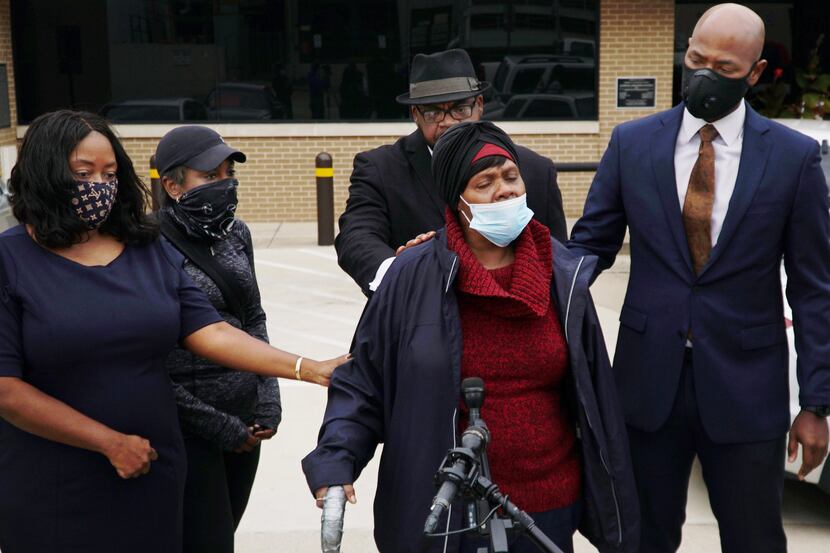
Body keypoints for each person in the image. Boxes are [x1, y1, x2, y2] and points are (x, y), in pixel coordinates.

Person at [0, 110, 345, 553]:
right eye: (83, 173)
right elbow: (6, 390)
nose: (99, 186)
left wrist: (309, 368)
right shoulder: (11, 260)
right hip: (55, 482)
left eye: (109, 173)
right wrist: (108, 443)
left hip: (151, 469)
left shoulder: (142, 247)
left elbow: (211, 330)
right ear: (47, 175)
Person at [303, 122, 638, 553]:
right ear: (457, 201)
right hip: (445, 511)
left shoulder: (564, 277)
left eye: (511, 177)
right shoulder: (412, 276)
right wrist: (336, 462)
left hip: (548, 509)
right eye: (485, 182)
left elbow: (593, 396)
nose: (504, 191)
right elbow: (363, 381)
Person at [567, 4, 830, 552]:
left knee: (754, 540)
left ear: (755, 73)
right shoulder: (632, 143)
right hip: (646, 385)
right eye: (696, 58)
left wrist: (814, 404)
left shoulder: (793, 158)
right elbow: (590, 247)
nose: (706, 74)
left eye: (726, 68)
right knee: (640, 539)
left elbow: (813, 290)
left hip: (748, 389)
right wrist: (511, 270)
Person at [335, 48, 568, 295]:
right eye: (432, 112)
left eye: (460, 109)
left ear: (479, 105)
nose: (447, 121)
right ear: (416, 114)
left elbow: (561, 261)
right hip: (419, 316)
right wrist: (398, 276)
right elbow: (357, 235)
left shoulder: (535, 170)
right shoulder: (380, 168)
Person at [154, 125, 278, 553]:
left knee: (227, 530)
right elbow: (151, 358)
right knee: (208, 541)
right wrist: (220, 426)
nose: (225, 184)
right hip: (190, 430)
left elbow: (253, 317)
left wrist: (268, 397)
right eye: (210, 176)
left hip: (246, 425)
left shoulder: (235, 233)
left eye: (228, 173)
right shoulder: (148, 246)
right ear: (172, 185)